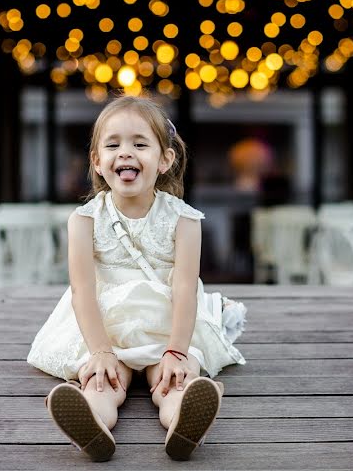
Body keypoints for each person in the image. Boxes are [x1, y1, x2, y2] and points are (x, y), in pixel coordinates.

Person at [27, 94, 247, 462]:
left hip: (166, 322)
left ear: (165, 160)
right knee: (103, 380)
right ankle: (92, 421)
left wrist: (177, 350)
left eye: (140, 144)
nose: (125, 153)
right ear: (97, 162)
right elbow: (82, 290)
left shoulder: (184, 221)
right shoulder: (83, 221)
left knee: (172, 377)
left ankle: (183, 419)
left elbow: (185, 288)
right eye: (113, 145)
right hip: (104, 324)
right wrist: (99, 351)